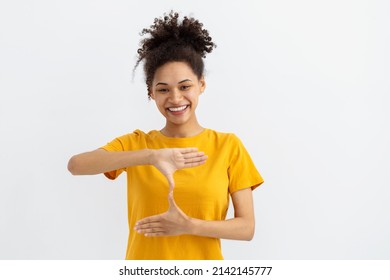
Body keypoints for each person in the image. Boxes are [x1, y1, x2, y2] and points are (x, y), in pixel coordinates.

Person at [67, 11, 264, 260]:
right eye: (163, 89)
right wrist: (151, 156)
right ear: (151, 92)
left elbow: (247, 228)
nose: (175, 98)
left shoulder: (228, 146)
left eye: (185, 86)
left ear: (201, 84)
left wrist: (189, 226)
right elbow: (76, 165)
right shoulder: (137, 144)